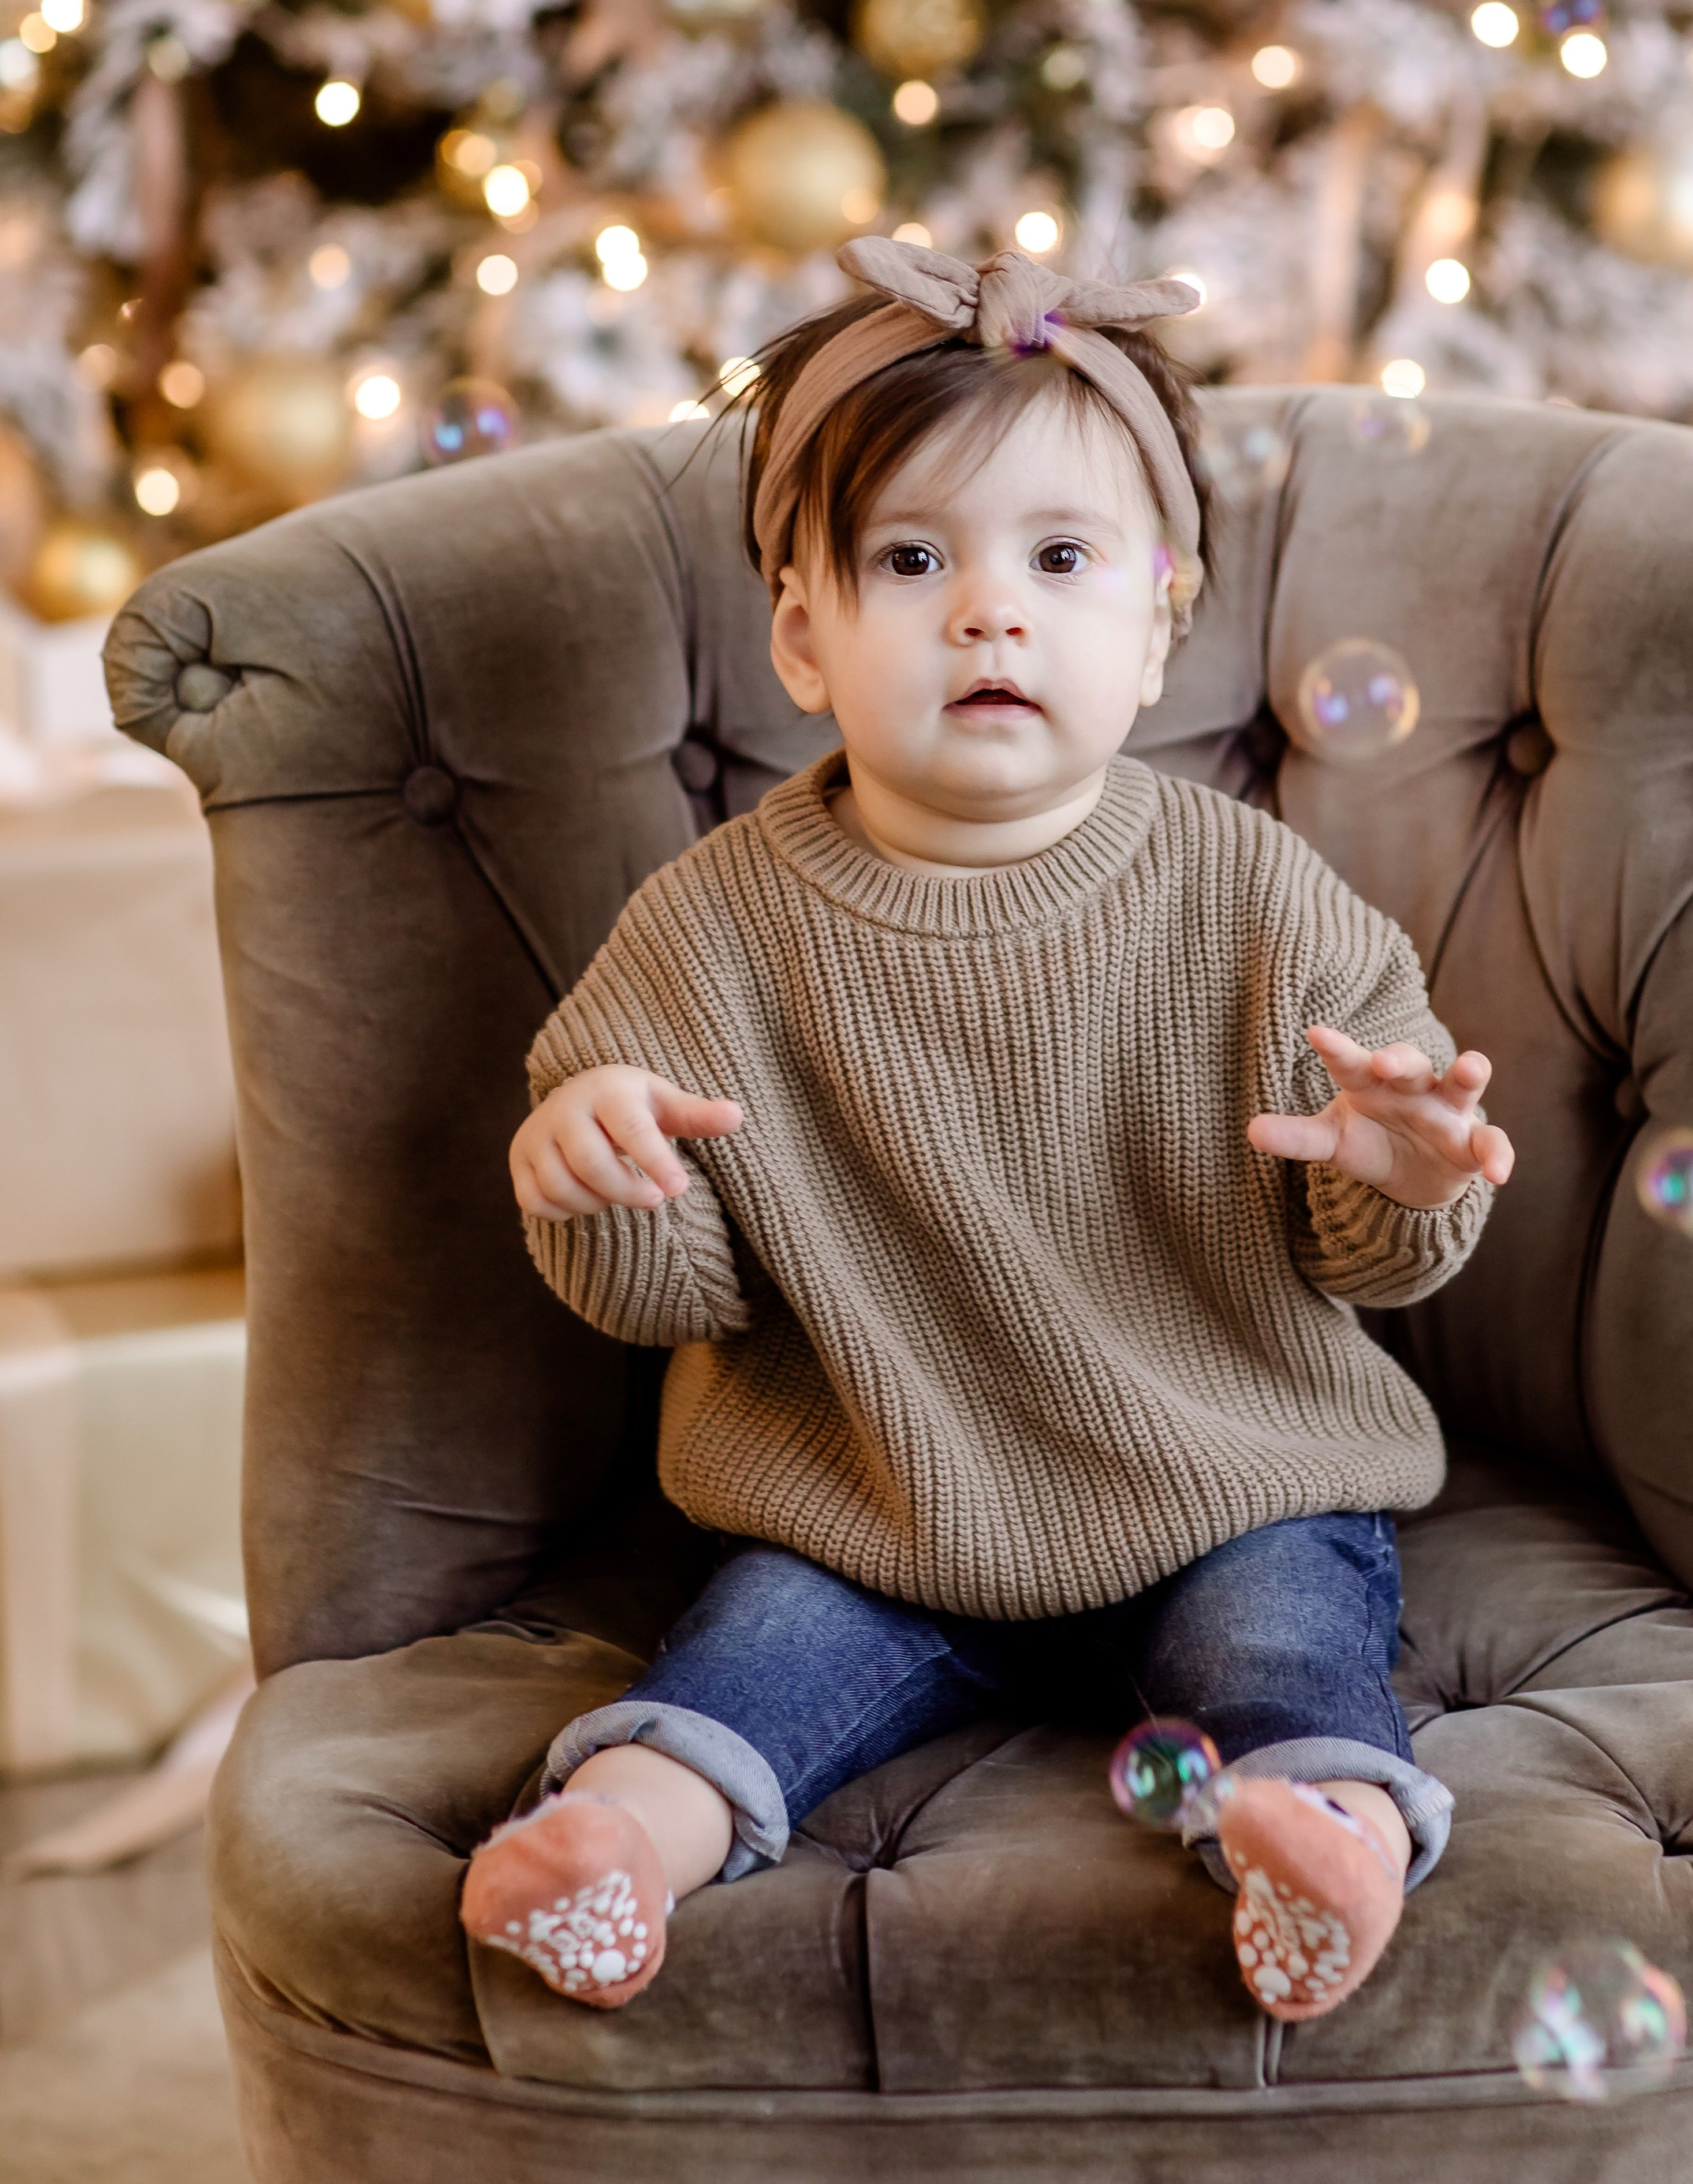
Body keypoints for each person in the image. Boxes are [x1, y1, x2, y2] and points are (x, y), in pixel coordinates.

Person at [460, 238, 1512, 2025]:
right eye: (908, 560)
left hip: (1224, 1479)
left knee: (1282, 1639)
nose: (986, 613)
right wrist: (598, 1172)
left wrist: (1400, 1179)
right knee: (747, 1666)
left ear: (1158, 616)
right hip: (875, 1508)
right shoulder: (710, 930)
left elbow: (1381, 1225)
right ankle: (616, 1844)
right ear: (802, 631)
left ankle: (1313, 1826)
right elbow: (667, 1298)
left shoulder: (1246, 892)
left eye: (1058, 558)